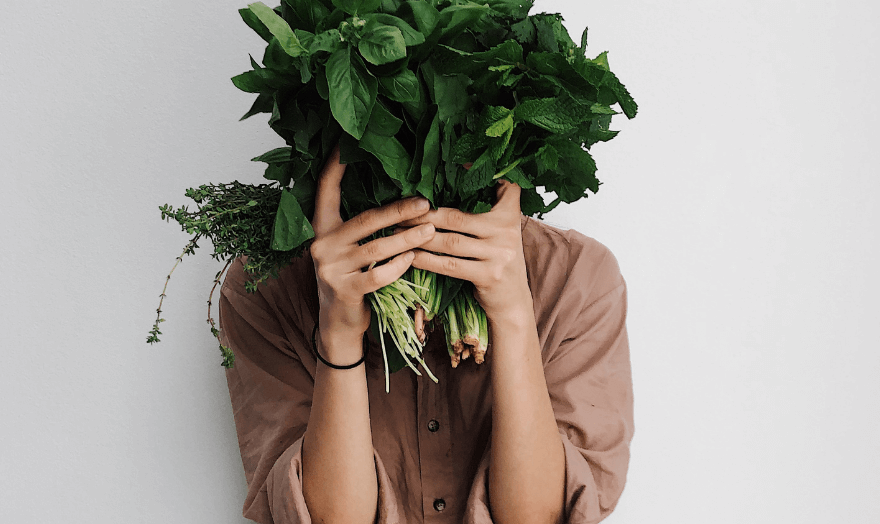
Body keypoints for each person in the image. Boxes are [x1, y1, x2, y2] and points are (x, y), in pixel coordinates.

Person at [217, 146, 634, 524]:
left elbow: (540, 519)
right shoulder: (266, 288)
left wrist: (512, 316)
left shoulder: (576, 278)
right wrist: (339, 334)